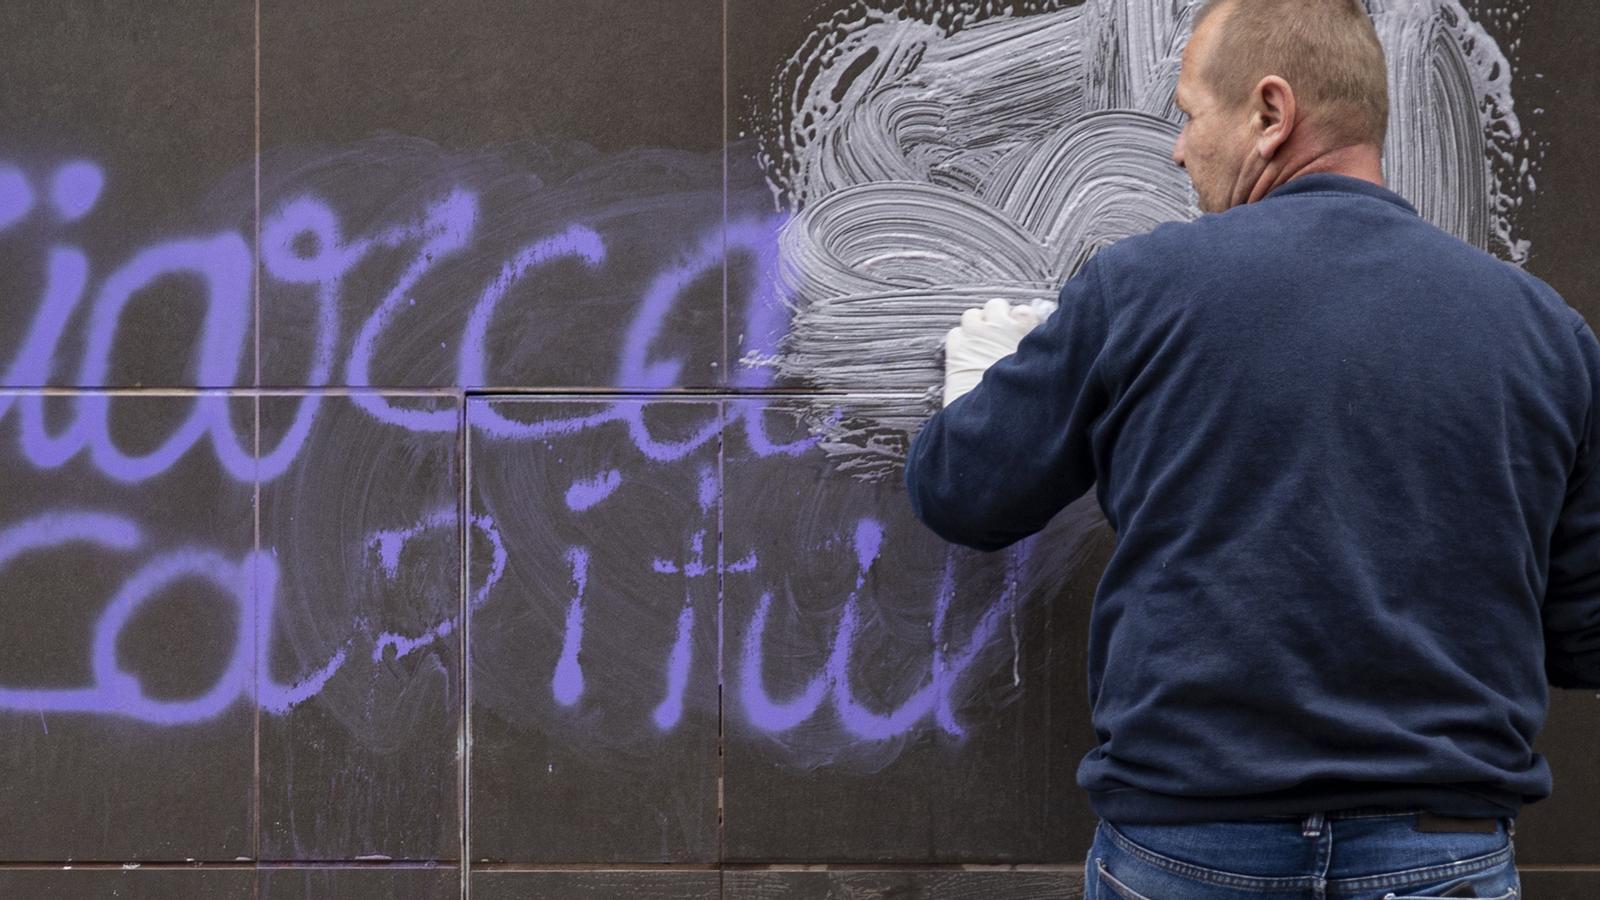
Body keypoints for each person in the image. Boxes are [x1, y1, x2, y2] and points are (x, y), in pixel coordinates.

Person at [902, 0, 1600, 896]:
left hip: (1191, 849)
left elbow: (964, 495)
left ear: (1271, 114)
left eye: (1192, 114)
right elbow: (1582, 636)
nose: (1178, 149)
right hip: (1441, 850)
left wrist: (979, 386)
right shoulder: (1545, 332)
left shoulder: (1141, 291)